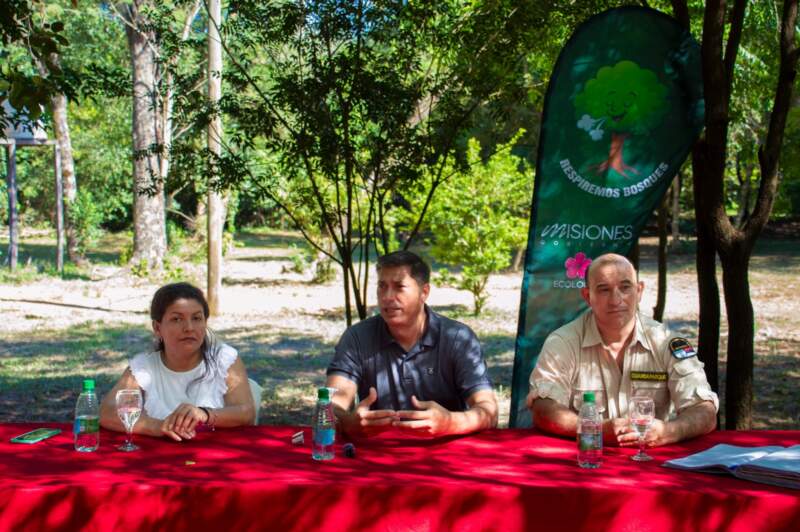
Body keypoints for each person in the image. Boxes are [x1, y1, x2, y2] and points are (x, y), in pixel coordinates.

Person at [527, 253, 718, 447]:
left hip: (649, 460)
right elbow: (543, 408)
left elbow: (704, 410)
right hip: (586, 458)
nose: (616, 300)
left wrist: (670, 432)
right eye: (603, 290)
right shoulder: (563, 343)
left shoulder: (666, 342)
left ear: (639, 291)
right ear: (587, 296)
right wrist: (594, 428)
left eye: (625, 287)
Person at [326, 250, 498, 438]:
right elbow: (328, 408)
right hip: (379, 453)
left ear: (424, 292)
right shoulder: (357, 338)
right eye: (382, 286)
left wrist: (450, 422)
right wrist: (349, 423)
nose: (387, 296)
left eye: (399, 287)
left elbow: (489, 412)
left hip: (447, 451)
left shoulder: (457, 338)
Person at [100, 282, 255, 441]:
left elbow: (246, 412)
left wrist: (204, 414)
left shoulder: (224, 359)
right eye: (176, 319)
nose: (189, 327)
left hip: (216, 457)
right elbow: (107, 412)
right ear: (157, 328)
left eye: (196, 318)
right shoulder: (143, 368)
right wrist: (158, 426)